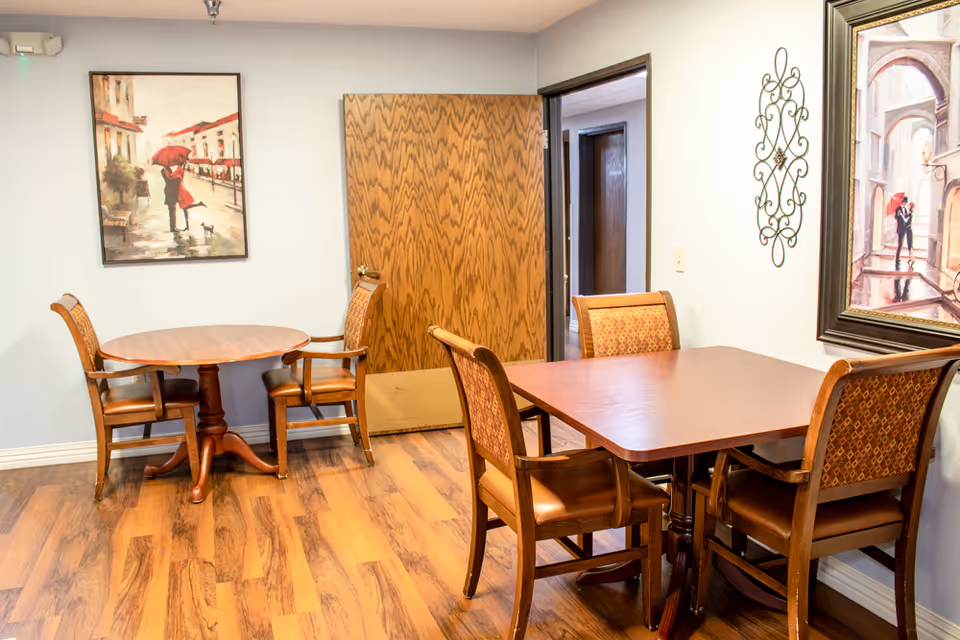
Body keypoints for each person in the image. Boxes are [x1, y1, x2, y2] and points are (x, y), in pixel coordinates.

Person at [160, 163, 206, 232]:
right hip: (173, 192)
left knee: (183, 208)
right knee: (178, 209)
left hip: (179, 191)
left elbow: (176, 177)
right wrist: (174, 178)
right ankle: (176, 227)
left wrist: (174, 177)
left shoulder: (177, 169)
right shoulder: (165, 171)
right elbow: (169, 180)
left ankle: (182, 227)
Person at [895, 196, 915, 270]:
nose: (904, 203)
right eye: (903, 202)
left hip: (905, 230)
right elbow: (896, 217)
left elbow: (906, 219)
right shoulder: (898, 209)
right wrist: (898, 214)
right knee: (899, 244)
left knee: (905, 244)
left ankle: (910, 258)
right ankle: (897, 259)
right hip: (900, 230)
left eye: (905, 202)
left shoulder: (906, 210)